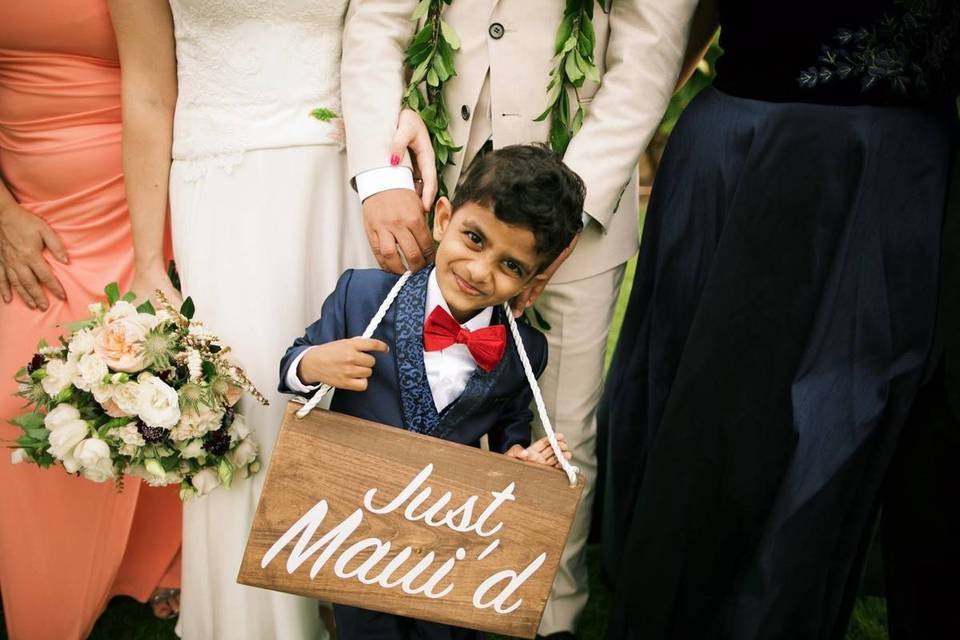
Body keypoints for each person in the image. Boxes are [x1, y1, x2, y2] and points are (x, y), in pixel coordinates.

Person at [600, 0, 960, 638]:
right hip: (744, 151)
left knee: (851, 401)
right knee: (717, 400)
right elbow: (677, 28)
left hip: (900, 174)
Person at [341, 2, 701, 635]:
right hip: (430, 195)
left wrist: (565, 219)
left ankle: (545, 614)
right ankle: (390, 595)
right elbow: (377, 20)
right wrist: (381, 173)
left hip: (578, 222)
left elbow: (648, 49)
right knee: (392, 416)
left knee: (561, 429)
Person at [108, 1, 438, 637]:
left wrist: (398, 113)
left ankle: (367, 612)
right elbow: (148, 90)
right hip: (224, 182)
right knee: (250, 406)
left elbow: (391, 29)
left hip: (350, 174)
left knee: (366, 402)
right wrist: (149, 258)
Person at [280, 145, 581, 640]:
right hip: (358, 530)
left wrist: (522, 458)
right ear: (443, 218)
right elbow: (290, 364)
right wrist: (315, 364)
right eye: (474, 238)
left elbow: (511, 424)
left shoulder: (525, 348)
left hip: (450, 540)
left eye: (511, 265)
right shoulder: (363, 296)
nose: (480, 270)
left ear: (532, 281)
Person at [0, 1, 182, 637]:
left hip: (130, 190)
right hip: (28, 201)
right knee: (17, 398)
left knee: (142, 372)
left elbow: (151, 90)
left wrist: (147, 252)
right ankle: (49, 610)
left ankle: (156, 557)